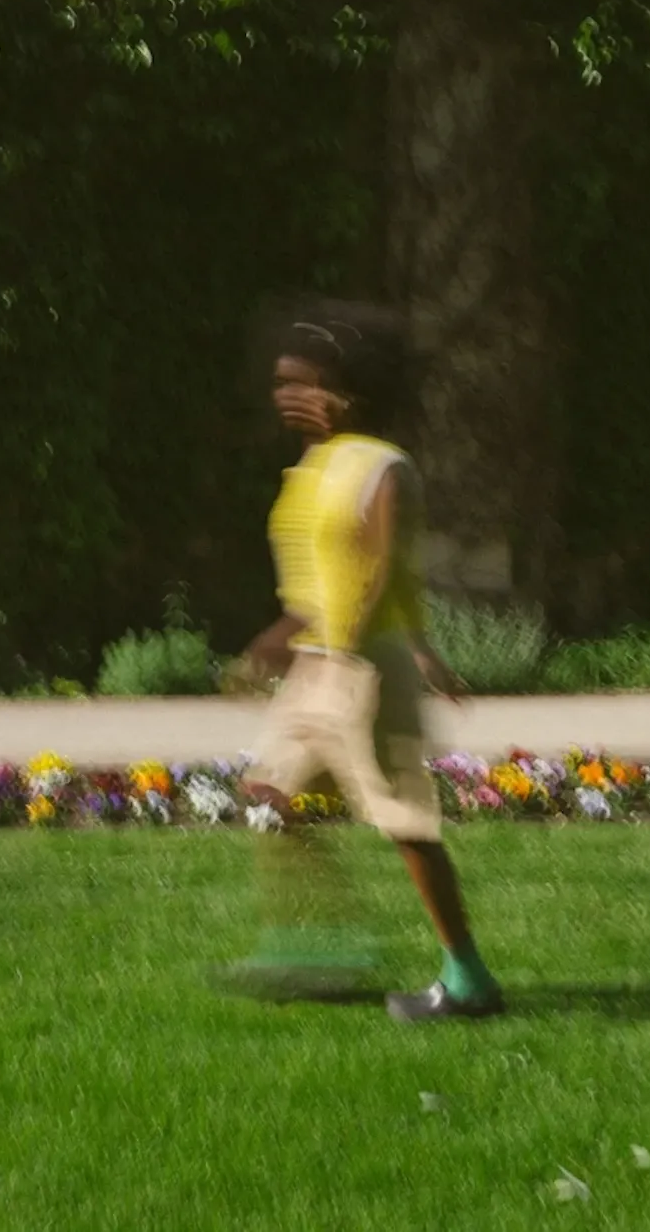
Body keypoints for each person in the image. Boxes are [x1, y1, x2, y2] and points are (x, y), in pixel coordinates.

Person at [222, 300, 504, 1022]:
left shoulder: (383, 466)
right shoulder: (310, 468)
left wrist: (402, 646)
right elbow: (320, 584)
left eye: (300, 381)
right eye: (280, 381)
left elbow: (384, 570)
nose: (284, 394)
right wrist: (278, 638)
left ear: (345, 388)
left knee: (407, 825)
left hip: (365, 674)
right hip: (317, 668)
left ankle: (468, 979)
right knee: (267, 795)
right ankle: (322, 949)